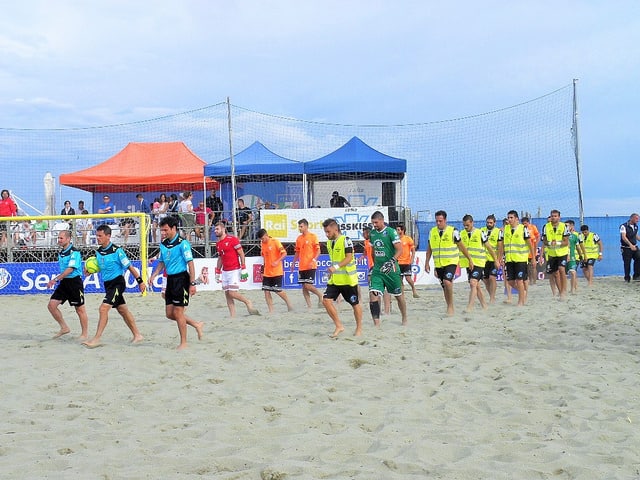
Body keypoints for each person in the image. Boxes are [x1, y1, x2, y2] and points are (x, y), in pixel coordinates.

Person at [82, 224, 145, 348]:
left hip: (118, 283)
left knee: (103, 308)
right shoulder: (98, 252)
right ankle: (138, 335)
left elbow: (130, 267)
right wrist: (91, 271)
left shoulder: (117, 251)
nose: (97, 238)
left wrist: (140, 281)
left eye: (100, 236)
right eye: (97, 235)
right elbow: (102, 266)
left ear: (108, 236)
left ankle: (96, 339)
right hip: (108, 285)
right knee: (123, 310)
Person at [148, 215, 204, 350]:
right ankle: (196, 324)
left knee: (178, 312)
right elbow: (162, 262)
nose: (163, 233)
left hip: (182, 279)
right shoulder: (163, 244)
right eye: (162, 230)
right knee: (169, 314)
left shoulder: (182, 243)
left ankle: (184, 343)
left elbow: (190, 264)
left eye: (165, 230)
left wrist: (192, 284)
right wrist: (154, 275)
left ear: (174, 228)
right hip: (170, 280)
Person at [424, 210, 473, 316]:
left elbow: (462, 246)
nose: (438, 223)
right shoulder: (432, 232)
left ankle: (451, 307)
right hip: (439, 263)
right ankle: (448, 306)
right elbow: (429, 248)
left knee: (447, 282)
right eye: (436, 221)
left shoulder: (453, 231)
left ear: (445, 220)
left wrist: (469, 259)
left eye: (440, 221)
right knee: (444, 286)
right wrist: (427, 262)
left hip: (451, 262)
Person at [321, 218, 363, 337]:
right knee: (326, 301)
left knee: (354, 304)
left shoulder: (346, 240)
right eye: (325, 232)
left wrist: (335, 267)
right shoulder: (329, 242)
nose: (326, 234)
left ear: (336, 229)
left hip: (348, 280)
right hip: (335, 279)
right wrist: (332, 269)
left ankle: (359, 328)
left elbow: (349, 258)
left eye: (328, 231)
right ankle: (339, 325)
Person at [46, 229, 89, 340]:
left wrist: (55, 279)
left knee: (79, 309)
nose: (59, 240)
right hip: (64, 282)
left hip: (74, 282)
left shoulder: (74, 252)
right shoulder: (61, 252)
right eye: (58, 238)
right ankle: (64, 327)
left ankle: (84, 334)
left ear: (68, 239)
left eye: (61, 238)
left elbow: (70, 269)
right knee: (51, 305)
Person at [213, 221, 260, 317]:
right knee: (227, 294)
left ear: (223, 229)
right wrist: (218, 272)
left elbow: (241, 253)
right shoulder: (218, 244)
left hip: (234, 269)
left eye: (217, 229)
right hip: (225, 271)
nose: (215, 231)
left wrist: (243, 267)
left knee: (232, 293)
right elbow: (220, 258)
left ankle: (247, 302)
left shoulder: (232, 240)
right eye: (215, 229)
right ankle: (233, 316)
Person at [369, 210, 407, 325]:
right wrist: (374, 265)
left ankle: (404, 317)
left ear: (382, 220)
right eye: (373, 223)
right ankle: (377, 324)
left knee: (398, 296)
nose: (374, 225)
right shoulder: (372, 234)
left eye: (376, 222)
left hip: (391, 270)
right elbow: (373, 250)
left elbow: (400, 250)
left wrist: (391, 262)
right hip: (378, 270)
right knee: (373, 294)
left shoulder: (391, 232)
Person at [460, 214, 498, 312]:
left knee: (473, 283)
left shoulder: (480, 233)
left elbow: (489, 248)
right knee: (476, 285)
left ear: (472, 223)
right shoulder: (461, 234)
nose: (465, 227)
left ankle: (469, 307)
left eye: (467, 225)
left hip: (479, 263)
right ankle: (484, 306)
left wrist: (496, 260)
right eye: (464, 225)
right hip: (468, 263)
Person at [498, 210, 536, 306]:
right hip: (509, 259)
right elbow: (502, 245)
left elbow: (529, 244)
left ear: (516, 219)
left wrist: (534, 258)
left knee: (519, 280)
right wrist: (500, 258)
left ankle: (520, 302)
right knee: (510, 281)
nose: (509, 220)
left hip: (521, 259)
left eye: (511, 218)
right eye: (508, 218)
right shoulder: (505, 230)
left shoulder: (523, 229)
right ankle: (523, 292)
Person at [257, 228, 294, 313]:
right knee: (266, 291)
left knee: (278, 291)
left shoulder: (275, 241)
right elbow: (263, 256)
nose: (262, 240)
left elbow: (284, 253)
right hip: (267, 272)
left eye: (263, 238)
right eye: (261, 239)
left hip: (276, 271)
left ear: (266, 235)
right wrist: (262, 270)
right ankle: (271, 310)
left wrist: (277, 261)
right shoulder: (262, 244)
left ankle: (289, 303)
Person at [291, 218, 323, 308]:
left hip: (311, 265)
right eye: (299, 226)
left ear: (306, 226)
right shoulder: (299, 238)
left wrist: (313, 260)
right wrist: (293, 263)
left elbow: (318, 251)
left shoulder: (313, 236)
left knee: (308, 285)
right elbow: (297, 252)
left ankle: (320, 295)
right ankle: (309, 306)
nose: (299, 228)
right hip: (302, 266)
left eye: (301, 226)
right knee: (304, 287)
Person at [363, 225, 391, 315]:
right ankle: (379, 310)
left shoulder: (375, 240)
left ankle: (386, 310)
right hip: (372, 266)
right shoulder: (366, 242)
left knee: (382, 288)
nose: (363, 234)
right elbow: (367, 251)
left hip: (377, 266)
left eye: (364, 233)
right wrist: (363, 256)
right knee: (375, 289)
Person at [541, 209, 570, 299]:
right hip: (551, 253)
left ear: (559, 217)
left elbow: (566, 242)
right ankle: (560, 290)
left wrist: (557, 243)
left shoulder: (564, 226)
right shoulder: (546, 227)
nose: (553, 218)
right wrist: (550, 243)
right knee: (555, 274)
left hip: (562, 252)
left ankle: (563, 291)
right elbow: (544, 241)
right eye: (552, 216)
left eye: (555, 216)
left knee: (562, 269)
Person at [480, 214, 502, 303]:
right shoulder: (481, 230)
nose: (489, 224)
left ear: (494, 223)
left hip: (494, 259)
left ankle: (492, 298)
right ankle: (491, 295)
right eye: (488, 222)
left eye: (491, 223)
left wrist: (499, 260)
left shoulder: (498, 232)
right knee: (485, 280)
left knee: (492, 278)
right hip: (483, 259)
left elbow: (500, 247)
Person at [395, 224, 419, 298]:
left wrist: (412, 259)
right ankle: (402, 295)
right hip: (398, 262)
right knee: (399, 280)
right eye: (396, 229)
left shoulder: (408, 239)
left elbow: (413, 250)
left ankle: (414, 289)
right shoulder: (395, 240)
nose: (397, 231)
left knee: (408, 278)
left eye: (398, 229)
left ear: (402, 230)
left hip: (406, 262)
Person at [565, 219, 585, 294]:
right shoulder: (561, 236)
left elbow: (578, 247)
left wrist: (581, 255)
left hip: (573, 257)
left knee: (573, 272)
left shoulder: (575, 236)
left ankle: (573, 289)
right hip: (562, 256)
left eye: (567, 225)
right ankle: (563, 289)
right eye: (565, 226)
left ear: (571, 226)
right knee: (562, 274)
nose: (566, 227)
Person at [619, 213, 640, 283]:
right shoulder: (623, 226)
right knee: (627, 263)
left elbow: (636, 235)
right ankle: (627, 278)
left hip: (635, 247)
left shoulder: (636, 226)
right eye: (636, 219)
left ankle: (636, 275)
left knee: (639, 258)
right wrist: (630, 245)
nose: (638, 220)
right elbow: (624, 237)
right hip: (626, 248)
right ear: (631, 218)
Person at [521, 216, 540, 285]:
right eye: (523, 223)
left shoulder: (533, 227)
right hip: (525, 251)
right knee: (527, 267)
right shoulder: (521, 229)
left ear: (528, 223)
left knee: (533, 266)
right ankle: (529, 279)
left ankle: (534, 281)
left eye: (525, 223)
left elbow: (538, 236)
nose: (524, 225)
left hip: (533, 250)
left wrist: (536, 244)